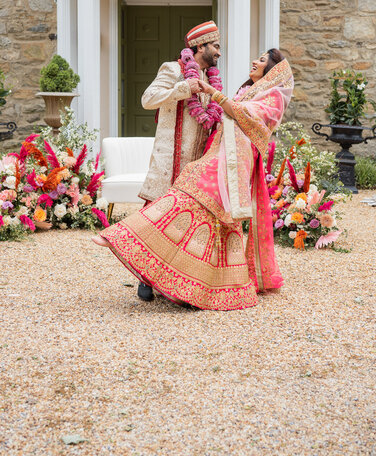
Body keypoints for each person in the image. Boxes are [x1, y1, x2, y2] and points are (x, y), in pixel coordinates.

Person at [93, 49, 294, 311]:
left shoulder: (274, 96)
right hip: (217, 151)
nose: (255, 61)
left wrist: (212, 93)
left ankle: (125, 234)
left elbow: (246, 115)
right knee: (213, 216)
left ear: (273, 71)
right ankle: (203, 288)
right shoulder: (248, 89)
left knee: (189, 191)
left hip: (235, 159)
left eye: (263, 60)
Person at [135, 20, 223, 302]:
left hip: (196, 166)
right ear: (201, 46)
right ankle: (144, 278)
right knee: (154, 222)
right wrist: (184, 88)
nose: (219, 52)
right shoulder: (173, 69)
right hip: (169, 161)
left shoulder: (210, 80)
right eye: (216, 46)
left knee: (186, 228)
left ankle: (178, 283)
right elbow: (148, 99)